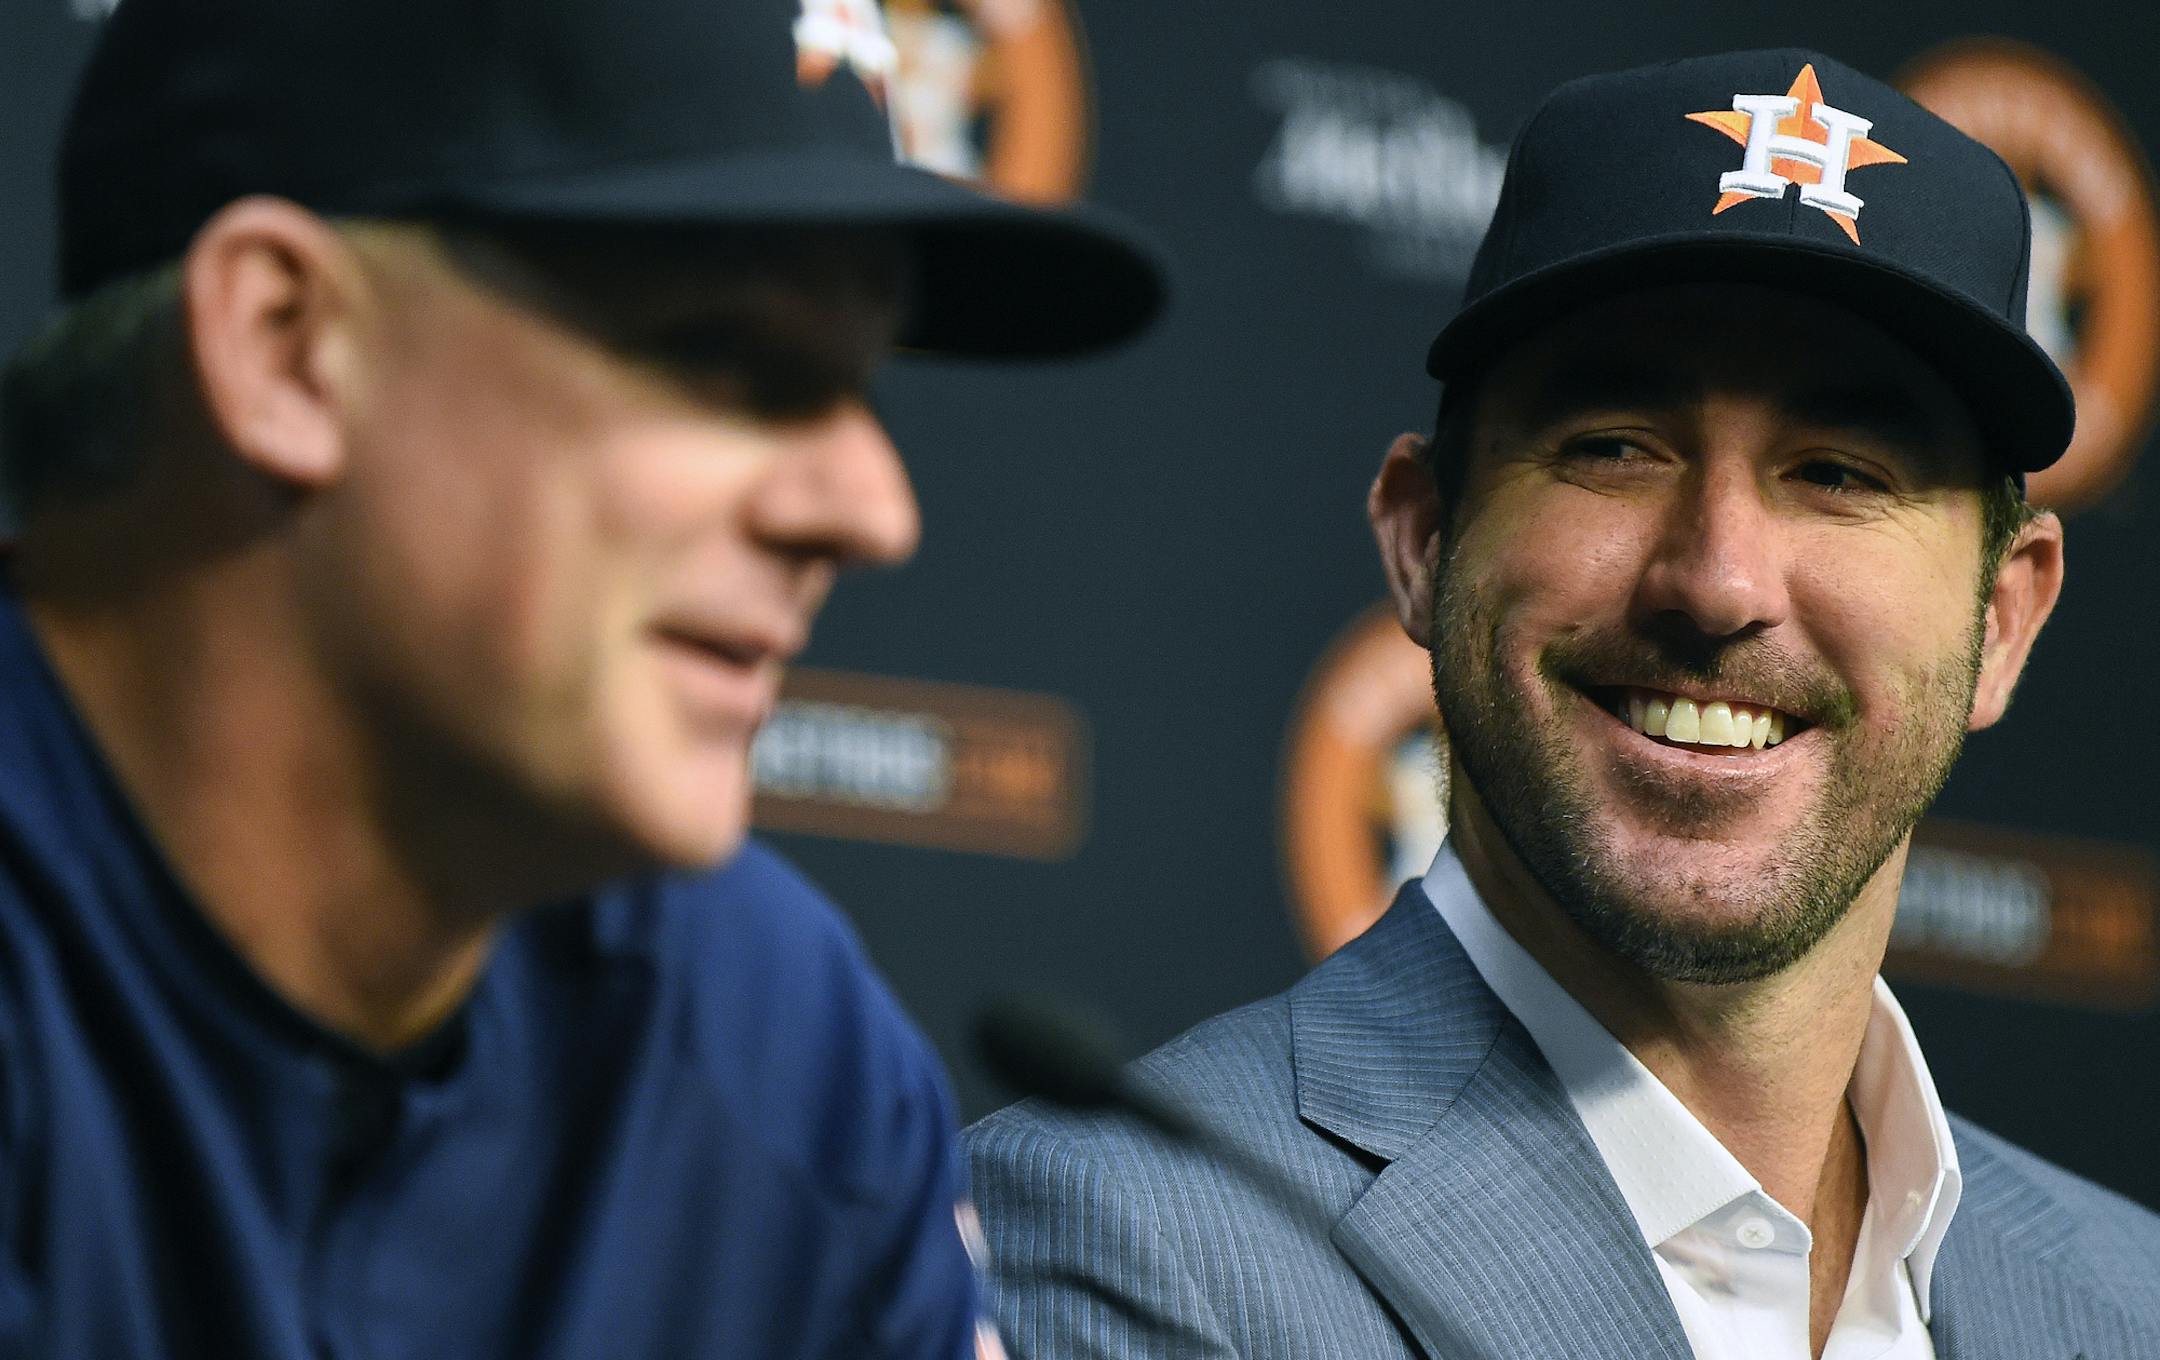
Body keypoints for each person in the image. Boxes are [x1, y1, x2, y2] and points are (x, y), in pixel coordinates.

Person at [0, 0, 1159, 1355]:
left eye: (862, 387)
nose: (872, 513)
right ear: (283, 344)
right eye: (720, 352)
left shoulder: (785, 1048)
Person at [965, 48, 2160, 1360]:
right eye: (1614, 447)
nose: (1718, 581)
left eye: (1841, 472)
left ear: (2002, 623)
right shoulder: (1122, 1237)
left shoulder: (2130, 1299)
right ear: (1424, 542)